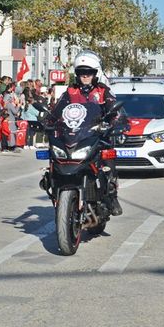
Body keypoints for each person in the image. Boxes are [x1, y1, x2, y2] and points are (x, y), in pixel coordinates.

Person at [47, 50, 123, 216]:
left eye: (89, 72)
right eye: (81, 72)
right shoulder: (70, 92)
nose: (85, 76)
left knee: (108, 163)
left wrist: (115, 123)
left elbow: (115, 111)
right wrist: (48, 122)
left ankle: (112, 195)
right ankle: (55, 188)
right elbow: (57, 111)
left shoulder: (103, 91)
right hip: (74, 135)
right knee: (53, 160)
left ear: (96, 74)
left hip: (97, 135)